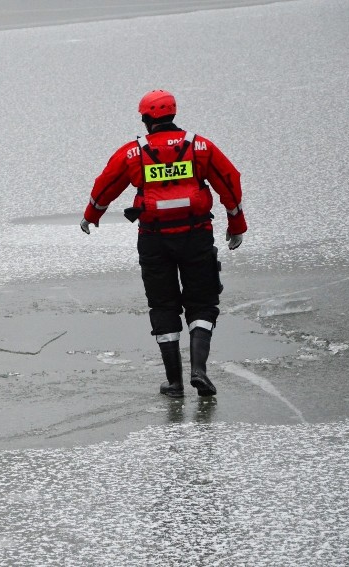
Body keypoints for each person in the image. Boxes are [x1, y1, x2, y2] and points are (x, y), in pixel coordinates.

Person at [80, 89, 247, 398]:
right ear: (173, 115)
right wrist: (236, 223)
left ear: (146, 119)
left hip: (154, 239)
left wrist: (92, 215)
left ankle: (175, 382)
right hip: (196, 234)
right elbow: (229, 180)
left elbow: (107, 184)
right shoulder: (200, 146)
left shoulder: (134, 152)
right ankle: (199, 370)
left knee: (163, 305)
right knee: (203, 304)